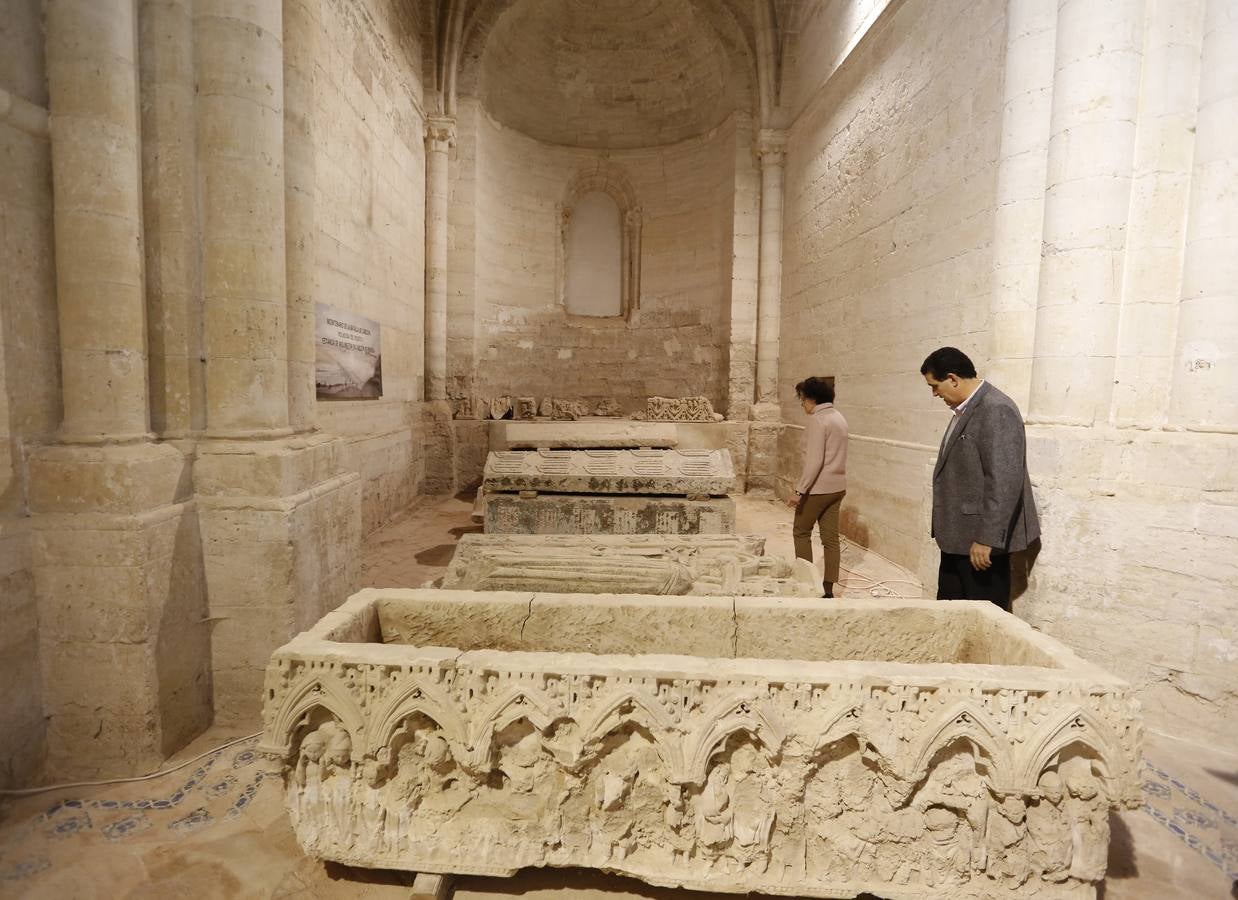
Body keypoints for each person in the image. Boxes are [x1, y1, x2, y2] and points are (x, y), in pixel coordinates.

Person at [920, 347, 1039, 609]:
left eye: (935, 386)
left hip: (980, 543)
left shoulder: (996, 409)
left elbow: (1005, 481)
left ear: (953, 378)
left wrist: (987, 538)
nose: (935, 393)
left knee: (984, 617)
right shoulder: (965, 409)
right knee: (950, 614)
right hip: (957, 537)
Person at [787, 376, 848, 598]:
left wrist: (799, 491)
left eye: (802, 399)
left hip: (818, 489)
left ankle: (807, 583)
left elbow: (815, 462)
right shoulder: (839, 417)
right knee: (830, 539)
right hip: (837, 487)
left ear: (811, 398)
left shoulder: (818, 420)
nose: (802, 404)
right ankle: (828, 588)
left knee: (801, 531)